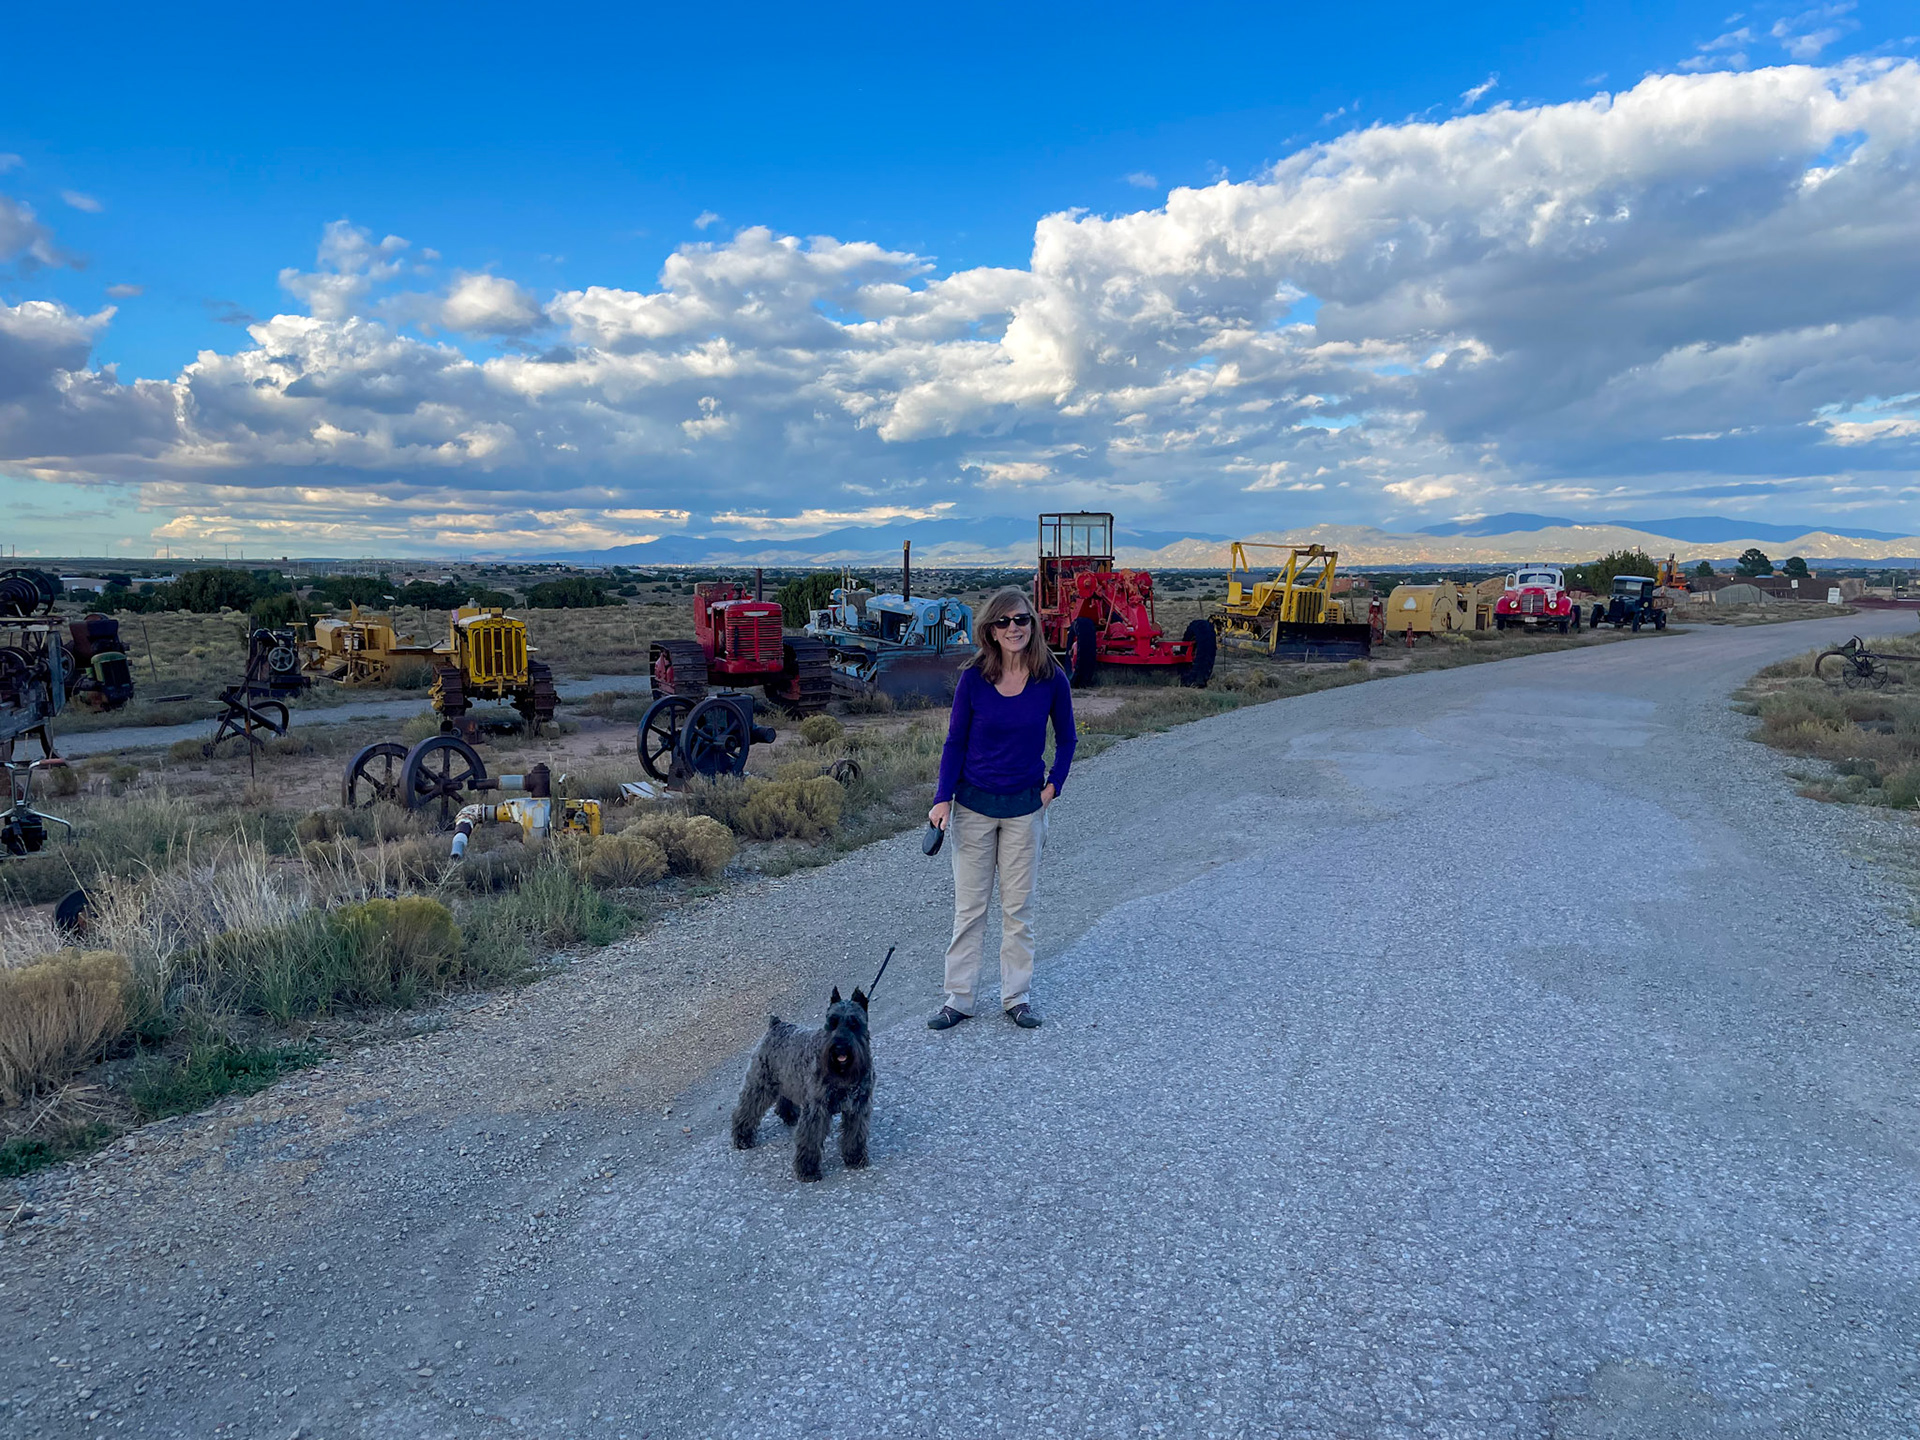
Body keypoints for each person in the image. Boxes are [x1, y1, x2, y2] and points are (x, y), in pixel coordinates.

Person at [926, 587, 1077, 1030]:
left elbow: (1067, 739)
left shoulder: (1052, 678)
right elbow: (954, 741)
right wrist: (941, 798)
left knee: (1019, 909)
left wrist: (1053, 788)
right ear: (990, 630)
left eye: (1022, 620)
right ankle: (959, 999)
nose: (1014, 628)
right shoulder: (974, 678)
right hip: (972, 807)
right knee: (970, 910)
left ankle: (1016, 997)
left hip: (1025, 809)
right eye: (1004, 622)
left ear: (1033, 624)